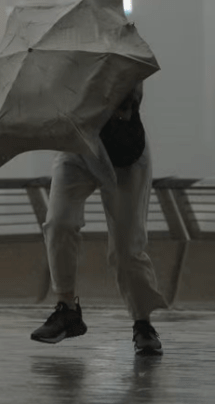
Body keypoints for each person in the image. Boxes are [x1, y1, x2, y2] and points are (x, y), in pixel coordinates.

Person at [31, 81, 168, 356]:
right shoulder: (59, 67)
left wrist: (112, 104)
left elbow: (131, 101)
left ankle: (143, 323)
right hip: (77, 147)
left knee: (127, 248)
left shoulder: (121, 59)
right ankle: (67, 310)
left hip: (125, 152)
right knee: (59, 222)